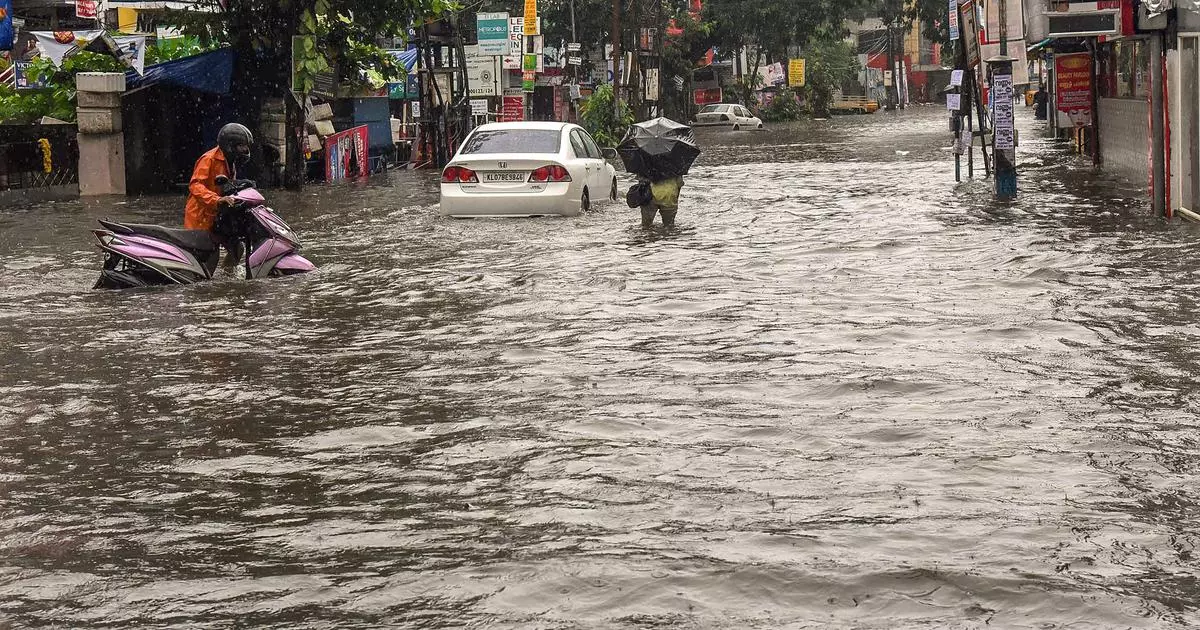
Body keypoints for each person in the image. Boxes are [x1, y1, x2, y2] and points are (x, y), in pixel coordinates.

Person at [185, 123, 254, 271]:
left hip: (218, 216)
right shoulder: (208, 159)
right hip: (201, 217)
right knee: (211, 256)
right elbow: (195, 185)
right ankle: (205, 288)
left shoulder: (231, 162)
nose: (246, 150)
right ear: (230, 145)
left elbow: (226, 186)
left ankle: (226, 278)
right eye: (242, 146)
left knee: (237, 248)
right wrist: (216, 200)